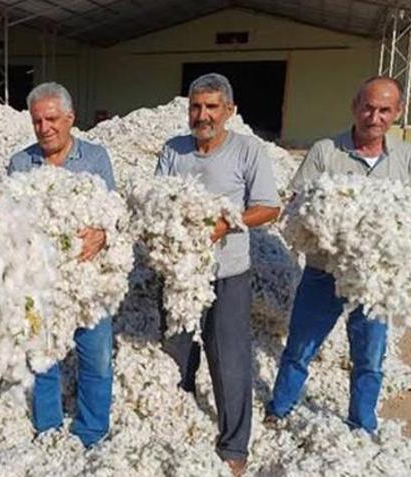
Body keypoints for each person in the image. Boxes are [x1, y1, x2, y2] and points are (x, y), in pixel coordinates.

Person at [265, 76, 411, 434]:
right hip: (324, 273)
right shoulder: (326, 151)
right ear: (355, 107)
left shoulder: (406, 158)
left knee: (369, 357)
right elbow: (296, 204)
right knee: (300, 346)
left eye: (385, 110)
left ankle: (362, 422)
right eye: (368, 107)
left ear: (397, 113)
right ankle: (279, 408)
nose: (374, 116)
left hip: (376, 283)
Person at [155, 73, 281, 475]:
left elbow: (267, 207)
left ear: (230, 111)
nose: (203, 115)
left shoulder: (248, 151)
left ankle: (234, 445)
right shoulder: (173, 151)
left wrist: (225, 224)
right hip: (178, 273)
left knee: (229, 359)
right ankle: (178, 410)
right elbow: (157, 198)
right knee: (175, 351)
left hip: (227, 273)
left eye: (212, 107)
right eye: (196, 106)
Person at [7, 82, 116, 448]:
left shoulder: (96, 159)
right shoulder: (21, 164)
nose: (44, 128)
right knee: (42, 360)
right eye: (37, 121)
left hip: (89, 282)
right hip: (40, 282)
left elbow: (113, 213)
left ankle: (91, 431)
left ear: (70, 119)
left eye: (52, 119)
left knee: (97, 359)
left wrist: (103, 234)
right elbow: (8, 222)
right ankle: (49, 428)